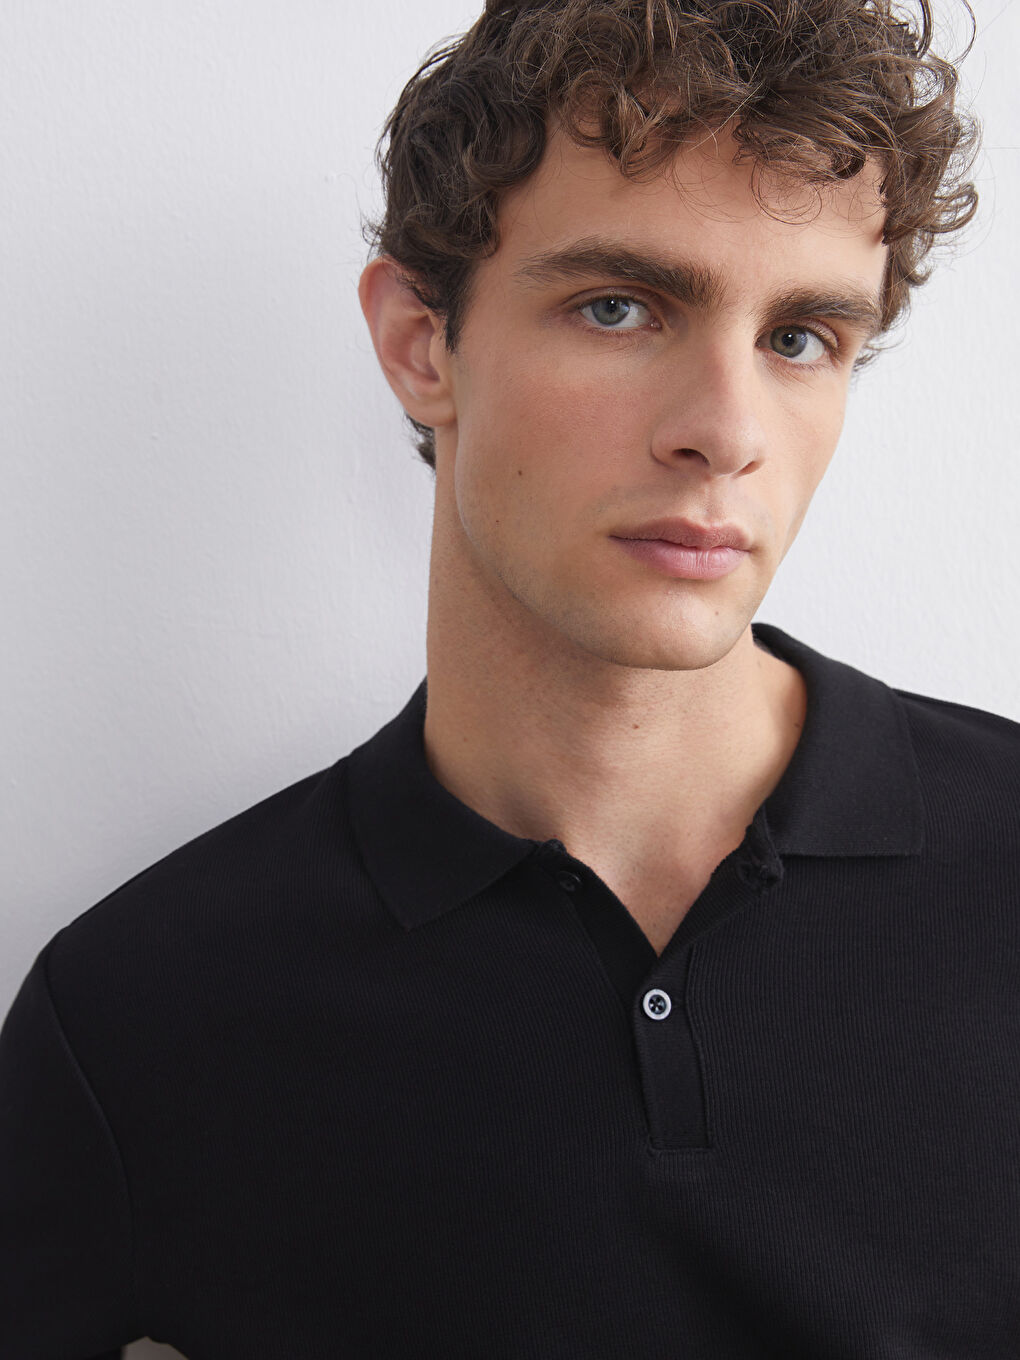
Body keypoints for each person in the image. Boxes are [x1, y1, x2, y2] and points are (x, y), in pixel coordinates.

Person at [2, 1, 1015, 1356]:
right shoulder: (139, 1018)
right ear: (423, 345)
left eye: (800, 338)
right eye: (620, 307)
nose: (726, 432)